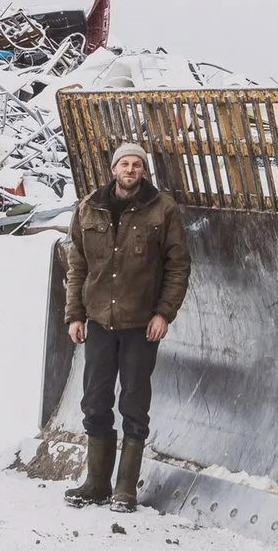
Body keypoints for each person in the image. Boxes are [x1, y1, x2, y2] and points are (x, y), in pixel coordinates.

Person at [61, 141, 190, 512]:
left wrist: (163, 313)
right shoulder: (89, 208)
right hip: (100, 321)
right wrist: (75, 315)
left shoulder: (162, 210)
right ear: (113, 169)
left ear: (143, 171)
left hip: (140, 325)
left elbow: (178, 266)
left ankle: (125, 489)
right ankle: (96, 484)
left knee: (134, 402)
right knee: (95, 402)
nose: (130, 170)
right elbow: (78, 266)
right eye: (124, 164)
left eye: (137, 164)